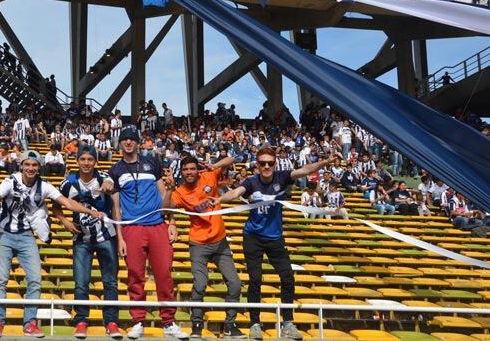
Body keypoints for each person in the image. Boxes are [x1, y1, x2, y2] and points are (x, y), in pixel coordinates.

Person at [0, 150, 104, 338]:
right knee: (0, 280)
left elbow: (66, 203)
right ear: (21, 165)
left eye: (34, 165)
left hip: (26, 235)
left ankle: (30, 322)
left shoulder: (44, 186)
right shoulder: (11, 181)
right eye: (27, 164)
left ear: (39, 167)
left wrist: (91, 212)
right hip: (4, 234)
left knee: (35, 279)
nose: (31, 168)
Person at [217, 147, 342, 340]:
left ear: (275, 164)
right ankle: (255, 324)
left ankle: (287, 323)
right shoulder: (251, 182)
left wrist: (326, 161)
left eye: (270, 163)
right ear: (257, 165)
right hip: (253, 237)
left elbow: (305, 170)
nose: (266, 166)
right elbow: (235, 193)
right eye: (262, 163)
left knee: (288, 278)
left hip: (275, 237)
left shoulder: (282, 177)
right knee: (255, 279)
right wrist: (217, 200)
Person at [103, 127, 188, 340]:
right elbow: (116, 209)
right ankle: (138, 321)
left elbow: (163, 195)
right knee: (135, 276)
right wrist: (120, 238)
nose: (129, 143)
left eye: (132, 139)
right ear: (120, 143)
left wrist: (172, 221)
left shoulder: (153, 163)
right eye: (125, 139)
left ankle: (168, 322)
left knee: (164, 274)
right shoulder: (115, 171)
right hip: (132, 228)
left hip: (157, 225)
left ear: (138, 142)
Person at [165, 155, 244, 338]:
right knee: (200, 284)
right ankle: (197, 325)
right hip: (198, 244)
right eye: (185, 170)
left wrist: (213, 165)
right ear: (182, 172)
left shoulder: (209, 176)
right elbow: (166, 207)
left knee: (235, 283)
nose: (189, 172)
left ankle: (230, 325)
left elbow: (232, 159)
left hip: (220, 242)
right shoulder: (180, 192)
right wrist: (169, 190)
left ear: (197, 169)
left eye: (192, 168)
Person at [53, 146, 123, 340]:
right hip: (81, 239)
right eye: (82, 159)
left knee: (110, 282)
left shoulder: (103, 178)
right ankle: (82, 320)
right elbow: (55, 206)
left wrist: (120, 237)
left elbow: (111, 188)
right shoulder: (68, 183)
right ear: (77, 161)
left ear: (95, 161)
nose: (86, 163)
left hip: (107, 237)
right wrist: (65, 221)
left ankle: (111, 321)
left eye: (90, 159)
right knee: (81, 283)